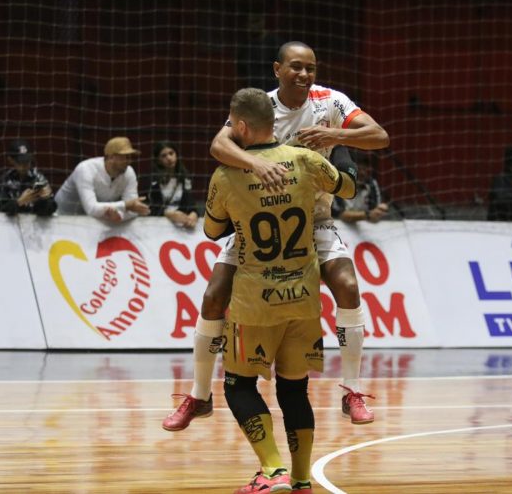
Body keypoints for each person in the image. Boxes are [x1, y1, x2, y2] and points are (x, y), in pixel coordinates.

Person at [162, 41, 389, 431]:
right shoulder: (261, 106)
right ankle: (199, 395)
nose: (304, 75)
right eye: (296, 67)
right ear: (277, 69)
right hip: (258, 219)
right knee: (214, 296)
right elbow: (218, 144)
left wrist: (336, 137)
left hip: (313, 221)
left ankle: (351, 390)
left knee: (348, 287)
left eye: (311, 68)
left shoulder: (330, 102)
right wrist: (253, 162)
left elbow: (379, 135)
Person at [202, 88, 357, 494]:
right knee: (294, 389)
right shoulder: (307, 161)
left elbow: (212, 230)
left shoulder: (226, 174)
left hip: (255, 302)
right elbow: (347, 187)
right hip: (303, 299)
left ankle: (273, 470)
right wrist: (337, 142)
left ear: (239, 126)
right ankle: (302, 477)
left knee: (238, 385)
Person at [54, 136, 150, 222]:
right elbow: (91, 208)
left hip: (92, 221)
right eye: (125, 157)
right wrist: (125, 205)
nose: (129, 161)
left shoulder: (129, 172)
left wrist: (120, 216)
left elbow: (134, 210)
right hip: (61, 218)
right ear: (111, 157)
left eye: (130, 157)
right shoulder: (85, 169)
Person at [0, 140, 57, 217]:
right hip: (10, 226)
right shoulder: (5, 180)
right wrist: (19, 202)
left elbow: (52, 208)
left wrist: (44, 200)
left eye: (27, 161)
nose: (24, 165)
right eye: (20, 162)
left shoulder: (38, 178)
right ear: (11, 160)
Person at [146, 141, 198, 229]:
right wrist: (169, 214)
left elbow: (190, 204)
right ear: (158, 160)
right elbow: (150, 208)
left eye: (171, 153)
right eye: (164, 156)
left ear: (176, 154)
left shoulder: (185, 178)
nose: (169, 158)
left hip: (181, 226)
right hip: (157, 226)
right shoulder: (153, 181)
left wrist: (194, 213)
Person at [331, 152, 389, 223]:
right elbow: (341, 215)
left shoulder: (371, 183)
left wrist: (380, 211)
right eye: (359, 169)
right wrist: (367, 215)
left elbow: (375, 213)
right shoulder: (337, 183)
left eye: (365, 169)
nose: (362, 173)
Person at [236, 12, 284, 91]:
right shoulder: (244, 46)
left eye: (256, 21)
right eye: (250, 22)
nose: (253, 25)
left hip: (273, 90)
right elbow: (241, 70)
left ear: (263, 21)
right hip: (252, 90)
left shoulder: (276, 43)